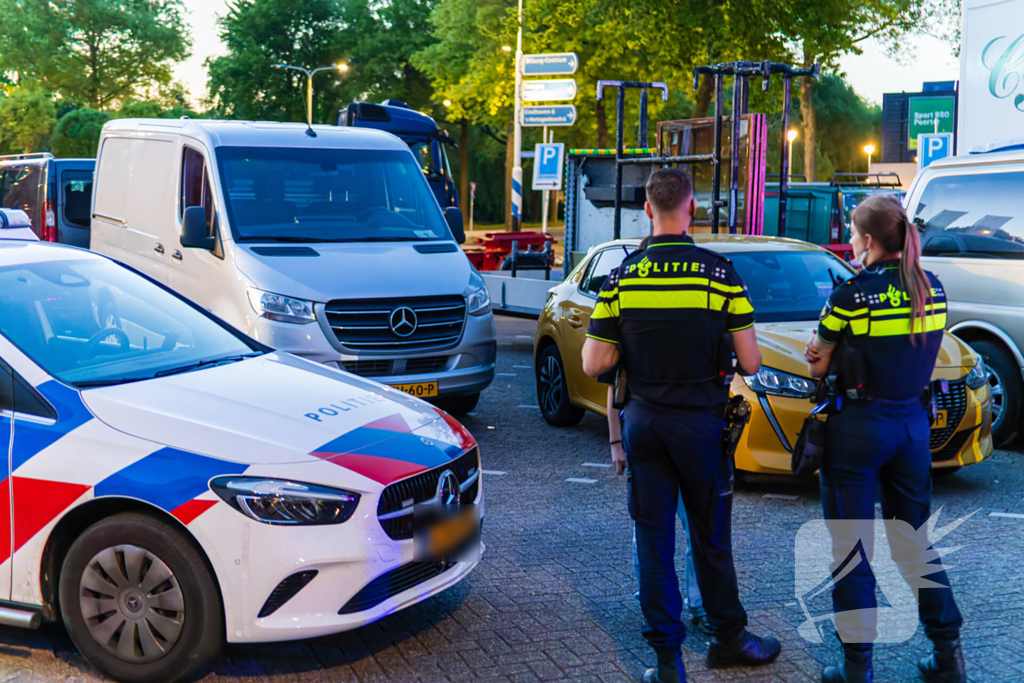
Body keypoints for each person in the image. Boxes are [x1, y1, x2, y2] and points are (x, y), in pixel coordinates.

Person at [582, 168, 780, 683]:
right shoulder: (720, 275)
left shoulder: (623, 276)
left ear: (647, 210)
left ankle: (667, 663)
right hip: (701, 426)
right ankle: (729, 640)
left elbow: (592, 363)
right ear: (693, 208)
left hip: (645, 422)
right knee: (711, 540)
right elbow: (752, 363)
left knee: (653, 543)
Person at [805, 195, 965, 683]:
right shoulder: (931, 289)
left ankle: (857, 669)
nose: (851, 241)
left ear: (869, 240)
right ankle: (948, 656)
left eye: (853, 233)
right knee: (915, 543)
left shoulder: (851, 295)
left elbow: (818, 360)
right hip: (913, 429)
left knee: (852, 549)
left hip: (858, 427)